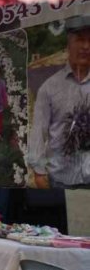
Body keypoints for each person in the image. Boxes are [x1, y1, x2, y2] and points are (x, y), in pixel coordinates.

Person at [27, 14, 90, 188]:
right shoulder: (49, 88)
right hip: (61, 180)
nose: (86, 46)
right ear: (68, 44)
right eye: (80, 39)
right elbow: (38, 131)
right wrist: (39, 171)